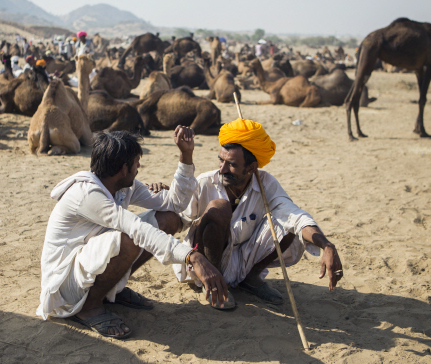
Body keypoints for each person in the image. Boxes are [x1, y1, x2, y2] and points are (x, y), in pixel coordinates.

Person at [37, 128, 229, 339]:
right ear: (124, 168)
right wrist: (191, 256)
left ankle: (112, 291)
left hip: (87, 269)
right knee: (129, 239)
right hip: (65, 286)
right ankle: (89, 307)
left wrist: (186, 155)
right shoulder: (87, 194)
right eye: (136, 162)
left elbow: (174, 203)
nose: (139, 167)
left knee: (168, 219)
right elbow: (136, 229)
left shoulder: (123, 187)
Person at [173, 118, 343, 307]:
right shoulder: (205, 182)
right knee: (219, 207)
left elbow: (294, 215)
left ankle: (251, 279)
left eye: (231, 164)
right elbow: (180, 218)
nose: (222, 169)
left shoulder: (265, 184)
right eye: (221, 160)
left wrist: (326, 245)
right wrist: (167, 193)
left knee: (288, 223)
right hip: (203, 263)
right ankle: (213, 285)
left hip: (242, 259)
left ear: (252, 168)